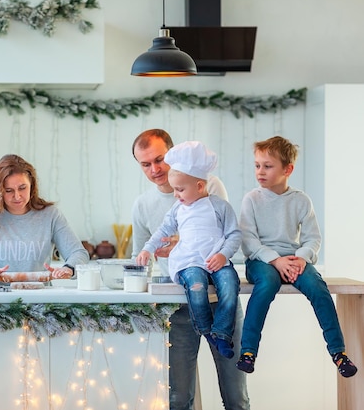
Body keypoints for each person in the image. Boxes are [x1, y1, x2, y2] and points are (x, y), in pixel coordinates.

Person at [131, 129, 249, 410]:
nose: (155, 169)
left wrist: (178, 246)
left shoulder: (208, 185)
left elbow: (222, 236)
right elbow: (140, 259)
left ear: (172, 154)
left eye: (159, 159)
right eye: (145, 164)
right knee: (178, 399)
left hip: (220, 299)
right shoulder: (142, 205)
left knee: (236, 396)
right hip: (176, 307)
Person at [236, 136, 358, 378]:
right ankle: (248, 351)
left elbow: (313, 238)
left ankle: (338, 352)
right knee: (267, 283)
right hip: (261, 261)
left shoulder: (300, 200)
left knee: (317, 286)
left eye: (268, 166)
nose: (260, 171)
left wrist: (301, 258)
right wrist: (275, 260)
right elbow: (248, 241)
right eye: (257, 165)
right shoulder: (252, 199)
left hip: (294, 260)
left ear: (287, 169)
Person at [136, 141, 242, 359]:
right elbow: (161, 231)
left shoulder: (220, 206)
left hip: (217, 261)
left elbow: (234, 235)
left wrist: (223, 255)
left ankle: (221, 333)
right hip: (190, 262)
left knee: (230, 286)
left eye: (180, 189)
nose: (176, 195)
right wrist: (148, 249)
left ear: (200, 187)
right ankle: (206, 330)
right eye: (145, 164)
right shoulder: (177, 209)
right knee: (196, 287)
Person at [0, 154, 89, 283]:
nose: (17, 196)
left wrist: (69, 268)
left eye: (22, 188)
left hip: (36, 300)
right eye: (9, 191)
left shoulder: (50, 214)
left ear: (32, 185)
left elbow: (78, 253)